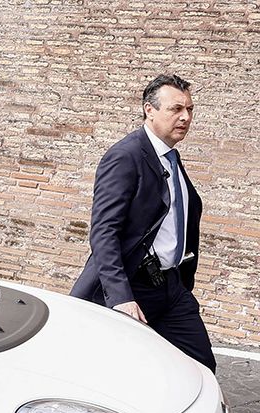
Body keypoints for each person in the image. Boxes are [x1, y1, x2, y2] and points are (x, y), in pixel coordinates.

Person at [71, 74, 214, 372]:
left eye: (189, 109)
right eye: (176, 109)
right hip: (134, 286)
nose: (185, 117)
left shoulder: (169, 157)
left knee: (199, 366)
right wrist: (121, 298)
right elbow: (103, 231)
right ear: (150, 110)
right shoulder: (126, 156)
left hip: (171, 287)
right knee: (118, 371)